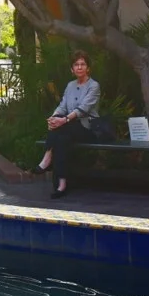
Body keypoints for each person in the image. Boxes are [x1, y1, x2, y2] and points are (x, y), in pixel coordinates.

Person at [32, 52, 100, 200]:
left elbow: (83, 109)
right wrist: (54, 117)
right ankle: (61, 184)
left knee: (61, 127)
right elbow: (63, 106)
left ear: (88, 68)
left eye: (82, 64)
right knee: (62, 139)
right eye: (76, 65)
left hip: (87, 128)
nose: (79, 67)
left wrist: (64, 120)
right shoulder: (70, 85)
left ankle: (47, 156)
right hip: (68, 128)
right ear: (72, 69)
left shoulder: (93, 86)